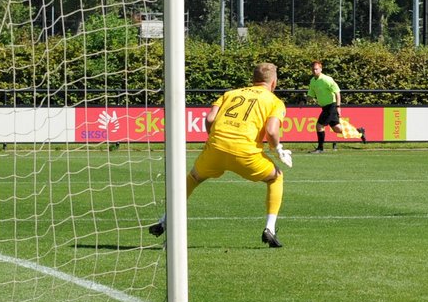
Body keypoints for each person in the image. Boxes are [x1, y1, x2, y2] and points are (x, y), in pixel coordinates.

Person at [149, 62, 292, 247]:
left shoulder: (230, 94)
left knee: (193, 178)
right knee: (276, 177)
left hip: (216, 148)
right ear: (274, 82)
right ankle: (269, 228)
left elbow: (210, 119)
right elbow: (272, 131)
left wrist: (217, 141)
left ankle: (164, 220)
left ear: (253, 79)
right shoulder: (274, 101)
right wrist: (278, 149)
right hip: (245, 153)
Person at [306, 60, 365, 152]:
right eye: (313, 69)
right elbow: (311, 94)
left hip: (331, 106)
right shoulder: (313, 81)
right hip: (325, 107)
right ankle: (359, 132)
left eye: (316, 69)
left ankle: (320, 148)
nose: (314, 71)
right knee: (337, 129)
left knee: (319, 125)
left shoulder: (327, 79)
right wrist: (303, 101)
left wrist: (338, 107)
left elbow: (337, 92)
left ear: (321, 69)